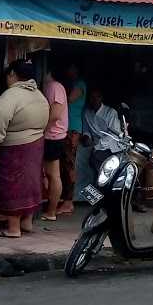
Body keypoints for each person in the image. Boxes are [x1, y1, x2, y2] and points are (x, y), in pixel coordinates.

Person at [0, 59, 49, 238]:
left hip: (15, 147)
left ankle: (13, 228)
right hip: (36, 144)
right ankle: (26, 222)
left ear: (12, 74)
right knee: (30, 183)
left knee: (13, 184)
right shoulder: (38, 95)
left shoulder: (11, 96)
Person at [59, 63, 86, 215]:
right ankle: (66, 200)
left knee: (69, 164)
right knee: (66, 163)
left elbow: (69, 99)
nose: (69, 71)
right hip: (68, 127)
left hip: (73, 128)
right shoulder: (74, 84)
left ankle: (68, 201)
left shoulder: (80, 84)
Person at [42, 70, 68, 222]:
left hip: (53, 135)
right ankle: (50, 210)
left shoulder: (54, 86)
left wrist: (43, 128)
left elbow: (56, 113)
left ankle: (51, 211)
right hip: (54, 135)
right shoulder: (53, 86)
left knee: (53, 175)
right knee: (51, 175)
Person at [82, 88, 124, 171]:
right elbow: (86, 130)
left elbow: (114, 135)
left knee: (98, 159)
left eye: (97, 97)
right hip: (94, 144)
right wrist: (87, 137)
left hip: (112, 146)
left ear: (101, 98)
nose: (94, 100)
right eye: (91, 97)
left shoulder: (110, 112)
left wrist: (97, 144)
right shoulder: (86, 113)